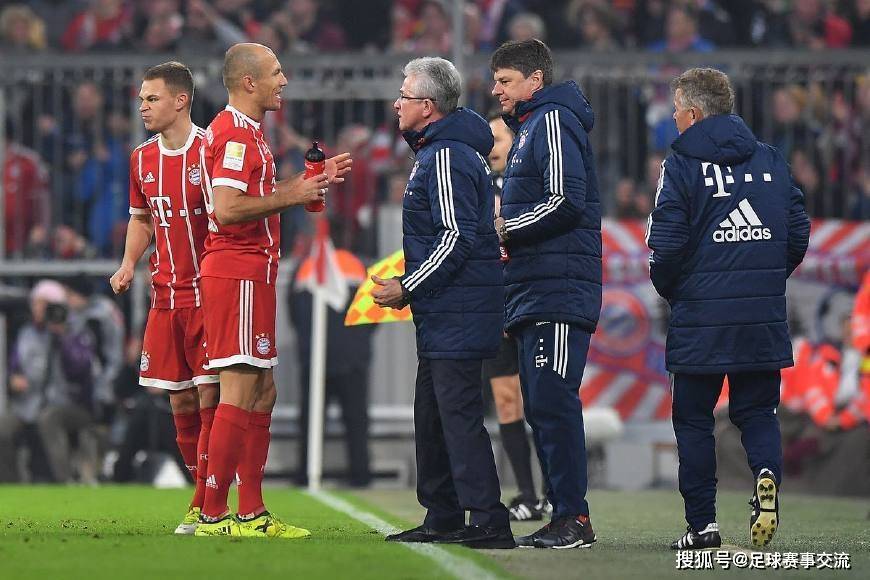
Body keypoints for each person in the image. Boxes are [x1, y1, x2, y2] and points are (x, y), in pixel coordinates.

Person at [646, 67, 810, 550]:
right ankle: (764, 475)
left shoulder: (678, 165)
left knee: (695, 420)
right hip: (761, 317)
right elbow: (797, 232)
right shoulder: (771, 159)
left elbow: (666, 247)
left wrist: (676, 291)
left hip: (700, 318)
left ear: (693, 113)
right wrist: (762, 280)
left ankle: (702, 527)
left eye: (677, 110)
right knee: (758, 412)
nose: (674, 119)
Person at [195, 42, 351, 538]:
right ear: (249, 82)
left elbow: (251, 197)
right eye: (276, 72)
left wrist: (306, 183)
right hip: (236, 272)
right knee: (240, 389)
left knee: (262, 390)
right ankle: (214, 514)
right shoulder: (235, 134)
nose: (284, 80)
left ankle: (252, 512)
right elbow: (227, 208)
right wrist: (294, 194)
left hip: (252, 274)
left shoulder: (251, 134)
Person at [373, 57, 513, 549]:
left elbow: (455, 239)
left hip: (458, 307)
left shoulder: (447, 156)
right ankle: (444, 514)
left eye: (405, 96)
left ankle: (490, 519)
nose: (397, 103)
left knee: (456, 415)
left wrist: (408, 287)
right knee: (432, 414)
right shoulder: (439, 150)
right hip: (447, 309)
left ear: (427, 107)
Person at [491, 38, 601, 549]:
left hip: (557, 288)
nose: (497, 91)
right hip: (539, 287)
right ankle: (563, 514)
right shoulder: (533, 126)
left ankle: (573, 517)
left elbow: (566, 201)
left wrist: (506, 228)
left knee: (552, 402)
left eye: (505, 81)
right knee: (541, 403)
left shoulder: (552, 123)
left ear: (535, 80)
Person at [109, 61, 220, 534]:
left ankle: (204, 503)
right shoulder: (140, 159)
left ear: (180, 100)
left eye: (151, 98)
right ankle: (208, 493)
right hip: (164, 298)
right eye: (140, 99)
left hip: (209, 298)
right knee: (179, 405)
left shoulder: (210, 151)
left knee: (210, 396)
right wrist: (129, 263)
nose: (143, 106)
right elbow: (141, 219)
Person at [485, 113, 548, 521]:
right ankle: (526, 494)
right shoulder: (477, 185)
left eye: (497, 137)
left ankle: (557, 491)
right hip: (495, 307)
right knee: (507, 403)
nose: (490, 145)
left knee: (543, 400)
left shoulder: (532, 184)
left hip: (530, 301)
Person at [0, 280, 96, 483]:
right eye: (35, 303)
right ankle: (12, 484)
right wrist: (13, 380)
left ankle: (64, 480)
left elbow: (80, 370)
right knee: (4, 427)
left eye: (44, 304)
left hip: (70, 404)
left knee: (48, 418)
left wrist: (62, 337)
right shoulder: (26, 333)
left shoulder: (76, 332)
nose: (38, 309)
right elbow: (13, 366)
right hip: (28, 403)